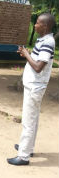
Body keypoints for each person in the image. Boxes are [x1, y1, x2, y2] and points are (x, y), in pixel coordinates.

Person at [7, 13, 56, 166]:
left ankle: (23, 156)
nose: (35, 25)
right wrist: (26, 54)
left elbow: (38, 67)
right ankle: (28, 148)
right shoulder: (43, 40)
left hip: (35, 87)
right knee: (33, 120)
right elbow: (37, 60)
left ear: (45, 26)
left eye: (38, 23)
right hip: (33, 86)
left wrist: (26, 54)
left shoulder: (48, 42)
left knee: (28, 121)